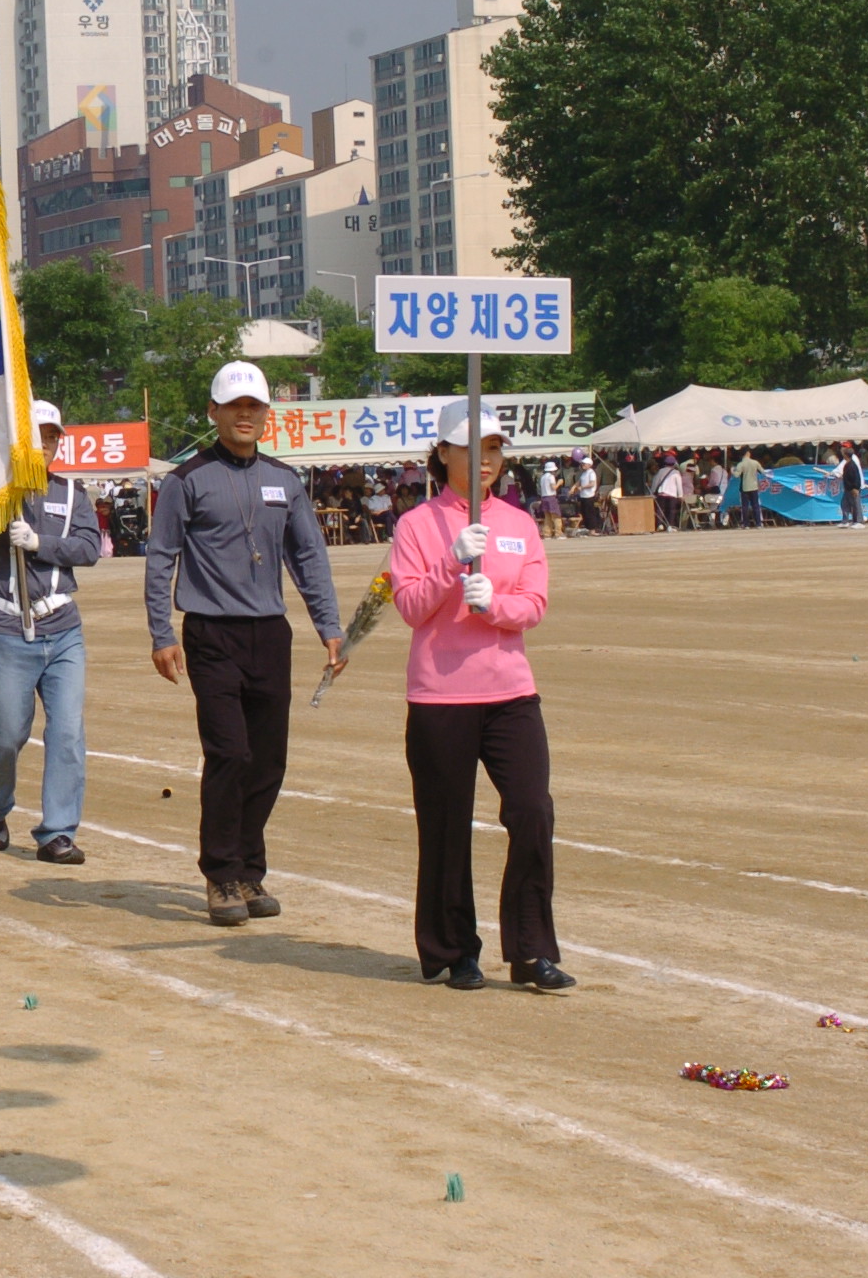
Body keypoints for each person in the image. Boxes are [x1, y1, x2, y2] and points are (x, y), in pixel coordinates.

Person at [144, 362, 346, 927]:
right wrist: (162, 633)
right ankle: (221, 874)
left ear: (266, 414)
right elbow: (161, 558)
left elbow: (307, 556)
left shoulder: (285, 480)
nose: (244, 415)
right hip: (211, 634)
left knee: (268, 760)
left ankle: (251, 869)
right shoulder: (186, 481)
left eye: (254, 406)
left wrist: (329, 626)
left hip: (269, 634)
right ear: (213, 412)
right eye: (233, 406)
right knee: (229, 753)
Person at [391, 401, 573, 992]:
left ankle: (531, 949)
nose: (487, 459)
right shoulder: (417, 525)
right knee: (445, 826)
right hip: (441, 696)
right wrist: (451, 564)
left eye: (495, 448)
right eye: (474, 448)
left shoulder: (520, 525)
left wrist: (493, 604)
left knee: (532, 811)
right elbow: (412, 607)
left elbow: (534, 607)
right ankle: (451, 950)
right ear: (444, 453)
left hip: (510, 693)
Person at [0, 400, 105, 865]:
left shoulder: (72, 494)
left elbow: (91, 547)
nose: (44, 445)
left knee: (68, 732)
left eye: (50, 437)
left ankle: (57, 832)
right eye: (35, 437)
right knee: (8, 731)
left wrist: (40, 543)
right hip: (7, 625)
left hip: (62, 624)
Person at [834, 442, 867, 527]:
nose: (842, 449)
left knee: (856, 504)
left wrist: (856, 487)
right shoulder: (847, 462)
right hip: (848, 487)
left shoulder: (853, 462)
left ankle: (859, 521)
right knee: (844, 503)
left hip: (854, 487)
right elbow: (839, 471)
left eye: (844, 448)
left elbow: (856, 476)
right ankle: (845, 521)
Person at [731, 448, 765, 529]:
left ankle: (746, 524)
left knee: (745, 507)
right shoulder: (755, 462)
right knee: (755, 505)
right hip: (754, 486)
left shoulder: (741, 464)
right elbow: (763, 472)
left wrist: (732, 470)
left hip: (745, 487)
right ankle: (758, 524)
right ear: (748, 453)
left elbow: (736, 475)